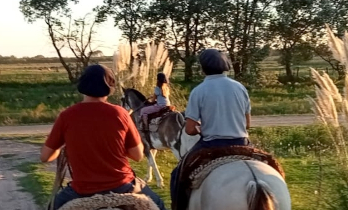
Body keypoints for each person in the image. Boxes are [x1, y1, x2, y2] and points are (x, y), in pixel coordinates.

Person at [40, 64, 167, 210]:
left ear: (82, 85)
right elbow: (137, 155)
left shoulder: (66, 116)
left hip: (82, 191)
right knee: (158, 204)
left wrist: (64, 146)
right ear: (110, 87)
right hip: (122, 186)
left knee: (52, 206)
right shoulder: (121, 114)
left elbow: (45, 157)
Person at [169, 48, 252, 204]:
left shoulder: (199, 91)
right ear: (225, 65)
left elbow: (189, 129)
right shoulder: (240, 87)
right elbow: (247, 123)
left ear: (203, 68)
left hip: (212, 144)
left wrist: (200, 128)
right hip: (242, 142)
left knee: (177, 174)